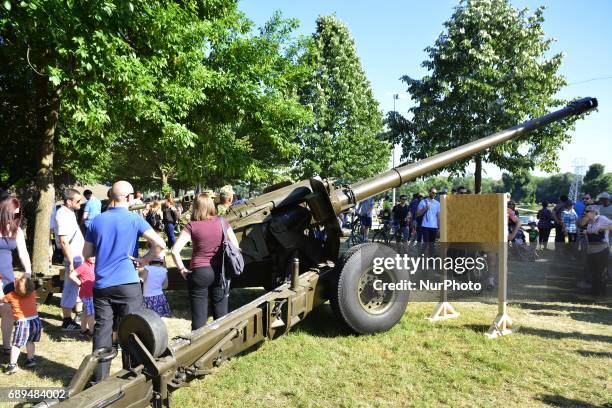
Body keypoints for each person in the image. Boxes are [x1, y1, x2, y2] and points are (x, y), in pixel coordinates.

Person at [83, 180, 166, 382]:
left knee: (102, 331)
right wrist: (145, 260)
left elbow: (86, 252)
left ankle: (99, 380)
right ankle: (133, 375)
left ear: (111, 196)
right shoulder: (134, 219)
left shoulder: (96, 221)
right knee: (132, 329)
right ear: (129, 198)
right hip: (128, 284)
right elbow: (160, 244)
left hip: (102, 285)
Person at [171, 193, 240, 330]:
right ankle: (222, 344)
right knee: (221, 315)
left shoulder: (191, 226)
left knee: (199, 317)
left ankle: (198, 348)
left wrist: (181, 269)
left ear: (195, 207)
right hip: (220, 271)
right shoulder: (223, 222)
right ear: (211, 205)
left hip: (199, 272)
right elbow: (236, 247)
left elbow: (174, 251)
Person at [0, 196, 32, 356]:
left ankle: (6, 346)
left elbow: (23, 253)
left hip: (7, 276)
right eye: (13, 214)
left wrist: (28, 271)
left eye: (17, 215)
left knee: (7, 310)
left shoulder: (16, 230)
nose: (15, 218)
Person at [54, 188, 84, 331]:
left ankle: (78, 314)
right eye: (78, 201)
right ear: (68, 201)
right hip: (73, 258)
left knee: (77, 287)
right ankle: (66, 321)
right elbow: (64, 241)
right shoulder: (62, 215)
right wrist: (71, 262)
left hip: (78, 257)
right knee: (70, 288)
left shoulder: (69, 212)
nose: (81, 202)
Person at [2, 277, 41, 374]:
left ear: (15, 288)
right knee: (30, 341)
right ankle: (31, 359)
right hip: (35, 321)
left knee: (16, 345)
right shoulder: (32, 293)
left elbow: (2, 300)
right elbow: (24, 285)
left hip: (23, 323)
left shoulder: (11, 295)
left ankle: (12, 365)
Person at [580, 205, 611, 296]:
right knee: (593, 271)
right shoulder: (589, 222)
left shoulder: (602, 218)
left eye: (588, 212)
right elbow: (581, 224)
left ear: (594, 212)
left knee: (601, 271)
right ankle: (595, 291)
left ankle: (602, 292)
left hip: (602, 250)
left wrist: (602, 228)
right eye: (586, 212)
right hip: (592, 250)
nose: (586, 213)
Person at [68, 258, 95, 335]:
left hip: (90, 293)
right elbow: (72, 275)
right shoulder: (84, 266)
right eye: (91, 256)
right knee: (91, 313)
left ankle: (83, 330)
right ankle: (92, 332)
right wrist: (80, 283)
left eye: (94, 256)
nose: (93, 258)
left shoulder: (93, 265)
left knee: (86, 312)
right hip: (87, 294)